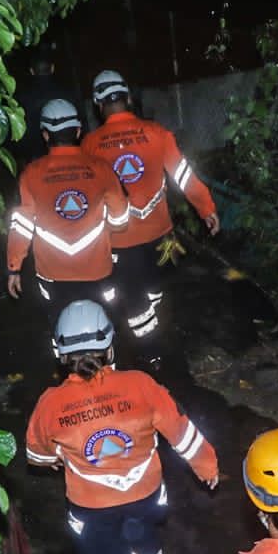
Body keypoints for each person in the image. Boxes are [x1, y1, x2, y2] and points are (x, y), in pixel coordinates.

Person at [24, 299, 219, 554]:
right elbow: (183, 433)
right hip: (146, 494)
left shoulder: (49, 405)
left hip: (92, 508)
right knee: (144, 530)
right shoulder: (141, 385)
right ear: (110, 345)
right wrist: (207, 467)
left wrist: (57, 458)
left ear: (59, 353)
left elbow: (37, 455)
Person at [81, 69, 220, 364]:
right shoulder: (157, 134)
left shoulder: (90, 145)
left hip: (119, 243)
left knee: (133, 302)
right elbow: (183, 177)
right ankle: (156, 347)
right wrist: (206, 208)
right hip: (160, 237)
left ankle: (150, 355)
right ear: (128, 97)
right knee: (153, 294)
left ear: (98, 103)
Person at [6, 100, 129, 323]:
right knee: (104, 324)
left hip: (53, 274)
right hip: (98, 271)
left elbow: (22, 226)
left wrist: (14, 267)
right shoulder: (101, 168)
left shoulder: (31, 174)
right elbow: (120, 217)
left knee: (60, 324)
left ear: (45, 135)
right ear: (79, 131)